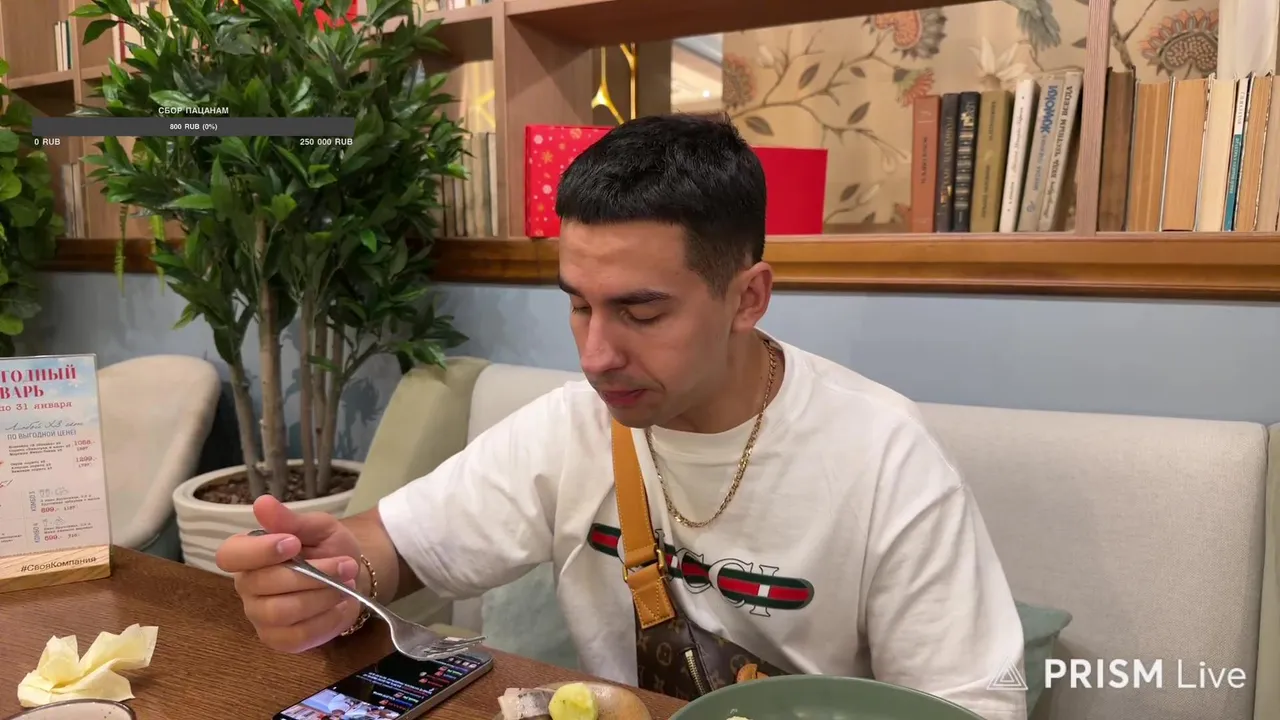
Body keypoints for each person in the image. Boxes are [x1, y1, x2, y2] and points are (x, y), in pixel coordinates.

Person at [216, 113, 1027, 720]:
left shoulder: (881, 452)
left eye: (641, 312)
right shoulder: (575, 422)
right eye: (579, 306)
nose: (597, 355)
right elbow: (394, 546)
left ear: (748, 297)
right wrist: (332, 580)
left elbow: (976, 704)